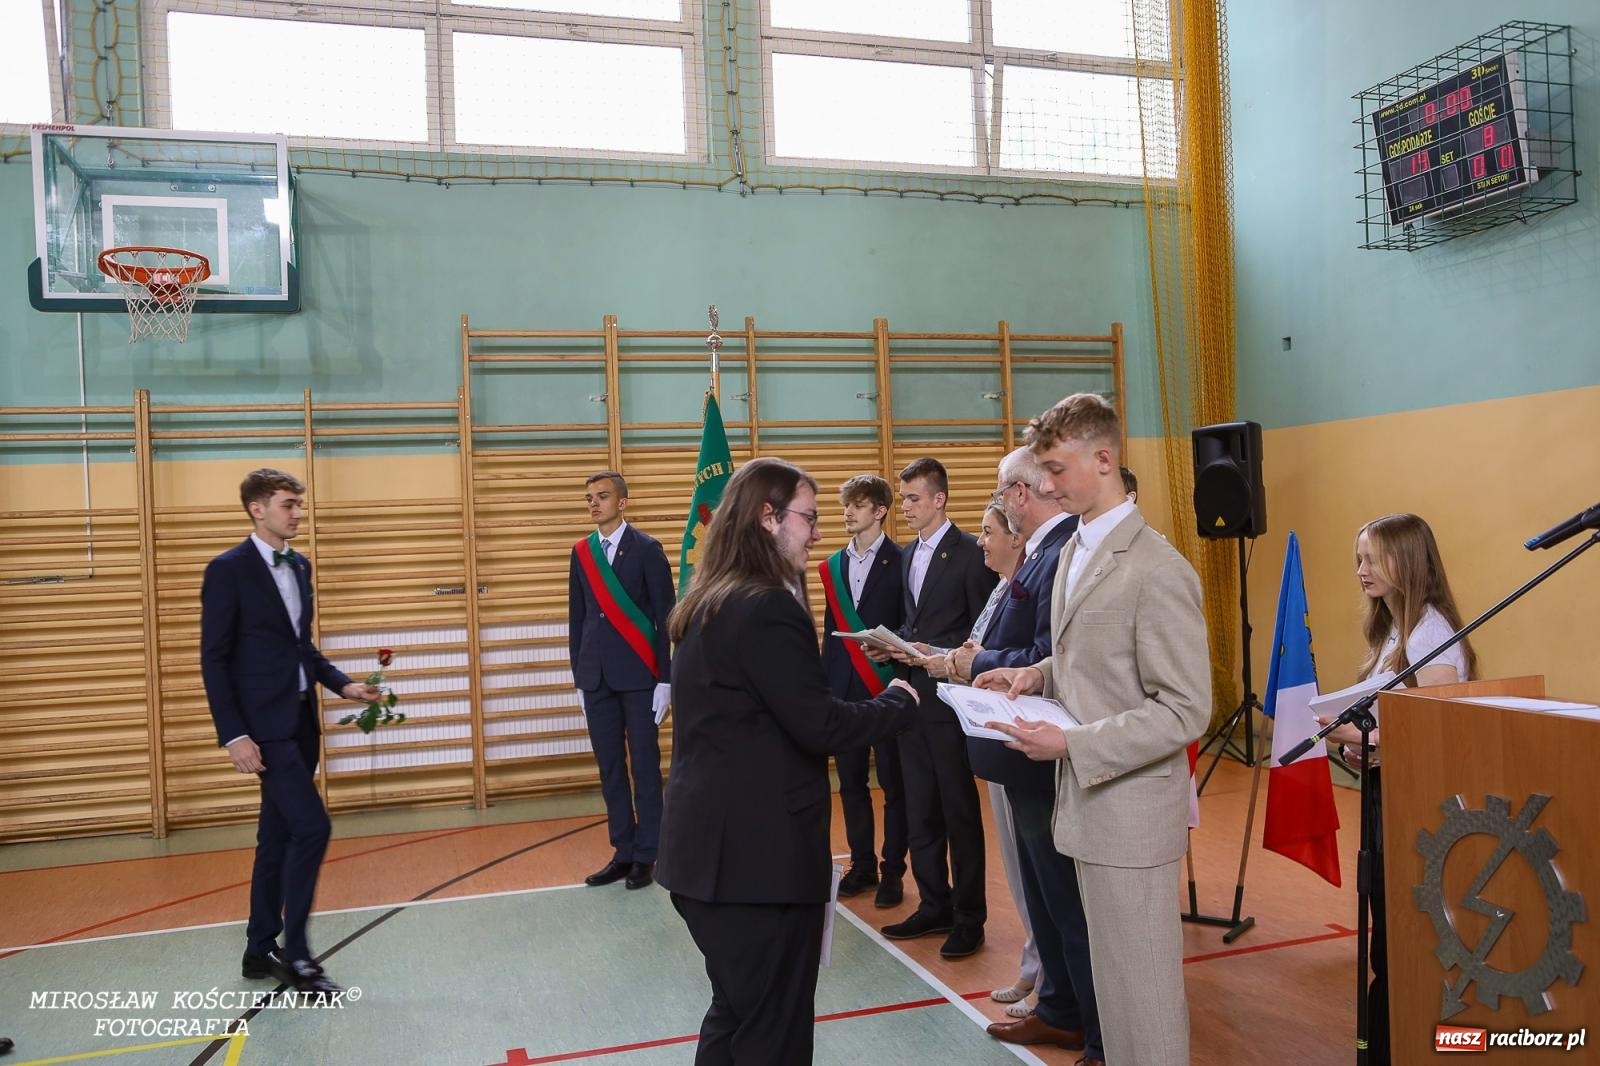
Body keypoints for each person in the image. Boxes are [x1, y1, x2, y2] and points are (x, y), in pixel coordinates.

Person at [657, 457, 920, 1066]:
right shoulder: (767, 607)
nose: (818, 533)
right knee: (772, 1032)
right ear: (767, 518)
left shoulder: (708, 602)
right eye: (808, 517)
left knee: (736, 1015)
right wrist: (898, 701)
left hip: (707, 859)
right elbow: (821, 723)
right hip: (757, 867)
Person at [975, 393, 1211, 1066]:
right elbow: (1096, 655)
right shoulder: (1076, 547)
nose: (1045, 484)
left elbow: (1185, 708)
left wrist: (1071, 743)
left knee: (1147, 1002)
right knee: (1111, 989)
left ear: (1104, 460)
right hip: (1087, 807)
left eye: (1056, 468)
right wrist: (1039, 675)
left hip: (1131, 813)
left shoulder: (1157, 568)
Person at [200, 468, 380, 996]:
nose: (298, 512)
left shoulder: (298, 565)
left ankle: (259, 948)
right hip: (263, 730)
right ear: (258, 509)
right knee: (312, 828)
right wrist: (233, 735)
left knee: (276, 836)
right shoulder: (228, 570)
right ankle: (298, 955)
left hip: (302, 724)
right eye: (287, 504)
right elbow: (214, 659)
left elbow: (301, 648)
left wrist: (344, 685)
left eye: (299, 504)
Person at [955, 452, 1100, 1058]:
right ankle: (1060, 1008)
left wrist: (978, 663)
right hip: (1019, 743)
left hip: (1045, 744)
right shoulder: (1044, 548)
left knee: (1064, 901)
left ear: (1018, 494)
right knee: (1042, 895)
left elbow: (1047, 652)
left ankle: (1090, 1027)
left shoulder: (1062, 547)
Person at [1316, 513, 1475, 1066]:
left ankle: (1400, 1046)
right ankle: (1382, 1044)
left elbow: (1434, 733)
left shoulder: (1432, 633)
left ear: (1406, 561)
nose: (1360, 569)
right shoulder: (1392, 630)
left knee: (1405, 937)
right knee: (1385, 934)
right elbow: (1392, 726)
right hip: (1389, 794)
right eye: (1358, 557)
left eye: (1371, 558)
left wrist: (1365, 735)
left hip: (1419, 809)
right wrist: (1361, 742)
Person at [876, 457, 996, 959]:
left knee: (958, 811)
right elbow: (912, 622)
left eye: (912, 498)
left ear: (939, 499)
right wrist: (893, 645)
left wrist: (936, 653)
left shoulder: (971, 553)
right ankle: (933, 903)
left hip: (950, 701)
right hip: (912, 698)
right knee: (920, 806)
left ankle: (969, 916)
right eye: (902, 499)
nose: (904, 507)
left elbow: (983, 631)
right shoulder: (906, 555)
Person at [568, 470, 674, 891]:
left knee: (645, 767)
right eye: (589, 498)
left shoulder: (647, 549)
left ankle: (648, 853)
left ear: (623, 502)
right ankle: (623, 851)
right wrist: (579, 677)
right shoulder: (581, 552)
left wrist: (666, 680)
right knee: (610, 767)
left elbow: (665, 618)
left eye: (602, 496)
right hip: (596, 677)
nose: (594, 504)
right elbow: (577, 619)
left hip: (639, 676)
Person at [818, 474, 909, 907]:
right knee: (850, 783)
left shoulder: (902, 560)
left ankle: (893, 870)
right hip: (843, 689)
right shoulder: (832, 566)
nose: (848, 512)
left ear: (880, 510)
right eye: (846, 504)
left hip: (885, 684)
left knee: (894, 785)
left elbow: (910, 626)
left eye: (858, 504)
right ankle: (862, 865)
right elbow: (829, 633)